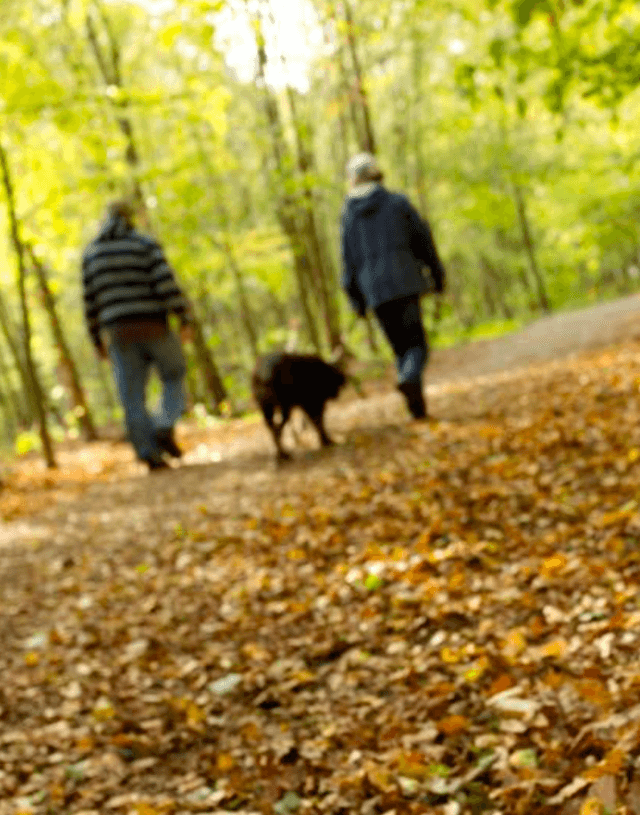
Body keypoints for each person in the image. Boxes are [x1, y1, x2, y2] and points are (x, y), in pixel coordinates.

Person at [82, 200, 193, 471]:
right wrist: (184, 317)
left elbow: (90, 301)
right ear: (129, 218)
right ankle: (164, 425)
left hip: (118, 332)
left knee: (131, 396)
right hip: (154, 324)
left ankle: (147, 451)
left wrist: (96, 339)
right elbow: (166, 282)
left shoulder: (92, 253)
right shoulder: (144, 244)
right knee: (174, 374)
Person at [340, 152, 446, 419]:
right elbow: (424, 241)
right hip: (405, 284)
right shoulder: (397, 203)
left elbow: (347, 263)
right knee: (416, 345)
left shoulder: (349, 217)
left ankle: (417, 409)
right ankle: (410, 381)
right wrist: (437, 275)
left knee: (401, 349)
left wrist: (356, 301)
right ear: (377, 174)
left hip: (375, 294)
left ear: (352, 181)